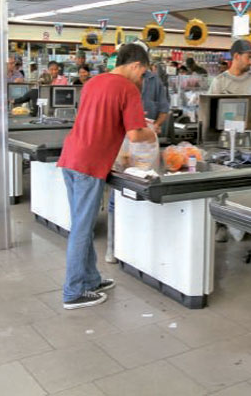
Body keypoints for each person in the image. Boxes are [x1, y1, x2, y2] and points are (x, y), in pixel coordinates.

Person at [57, 43, 156, 309]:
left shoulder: (94, 82)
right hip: (89, 164)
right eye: (143, 72)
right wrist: (154, 131)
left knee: (82, 223)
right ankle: (73, 290)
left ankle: (90, 279)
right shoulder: (128, 89)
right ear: (135, 65)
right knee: (81, 227)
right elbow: (135, 134)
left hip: (71, 157)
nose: (142, 78)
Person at [141, 64, 170, 133]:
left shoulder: (155, 79)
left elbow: (164, 109)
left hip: (150, 130)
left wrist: (155, 125)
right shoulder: (121, 80)